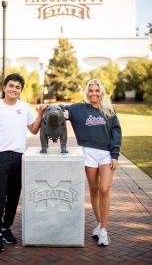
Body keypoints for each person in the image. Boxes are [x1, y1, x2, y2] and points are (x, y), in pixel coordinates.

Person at [0, 73, 45, 252]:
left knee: (14, 196)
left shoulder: (25, 108)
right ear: (4, 87)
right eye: (11, 86)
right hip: (0, 157)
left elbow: (33, 130)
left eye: (17, 87)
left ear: (20, 90)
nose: (14, 89)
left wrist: (40, 114)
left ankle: (6, 227)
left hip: (19, 157)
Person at [64, 79, 122, 246]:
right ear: (87, 92)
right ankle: (98, 225)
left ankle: (104, 230)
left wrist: (115, 155)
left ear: (101, 92)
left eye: (97, 90)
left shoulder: (109, 111)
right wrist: (63, 112)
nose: (94, 94)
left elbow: (116, 133)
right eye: (91, 91)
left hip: (106, 154)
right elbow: (60, 107)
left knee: (104, 189)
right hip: (88, 153)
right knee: (94, 190)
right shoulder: (78, 109)